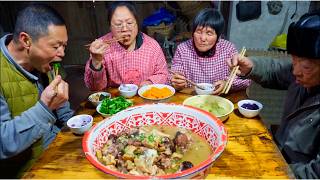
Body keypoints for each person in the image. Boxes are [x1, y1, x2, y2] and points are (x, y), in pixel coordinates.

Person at [228, 11, 320, 178]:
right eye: (293, 60)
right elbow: (276, 69)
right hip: (275, 151)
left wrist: (274, 170)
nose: (295, 71)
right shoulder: (302, 74)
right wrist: (251, 66)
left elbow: (314, 173)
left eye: (306, 67)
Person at [0, 4, 74, 178]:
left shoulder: (45, 63)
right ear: (26, 40)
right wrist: (46, 107)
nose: (62, 53)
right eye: (56, 46)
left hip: (56, 147)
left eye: (64, 46)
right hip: (27, 169)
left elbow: (65, 114)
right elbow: (3, 143)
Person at [84, 1, 169, 90]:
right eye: (118, 24)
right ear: (110, 26)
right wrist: (96, 62)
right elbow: (95, 88)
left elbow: (163, 73)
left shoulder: (152, 46)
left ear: (137, 23)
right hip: (114, 100)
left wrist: (150, 83)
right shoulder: (101, 47)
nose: (124, 29)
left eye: (129, 23)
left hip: (145, 97)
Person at [170, 8, 250, 94]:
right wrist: (176, 82)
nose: (203, 38)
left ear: (218, 36)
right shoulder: (183, 49)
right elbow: (174, 74)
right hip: (191, 97)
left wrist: (227, 84)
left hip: (220, 98)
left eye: (209, 33)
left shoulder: (228, 48)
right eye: (199, 31)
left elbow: (244, 79)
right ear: (193, 33)